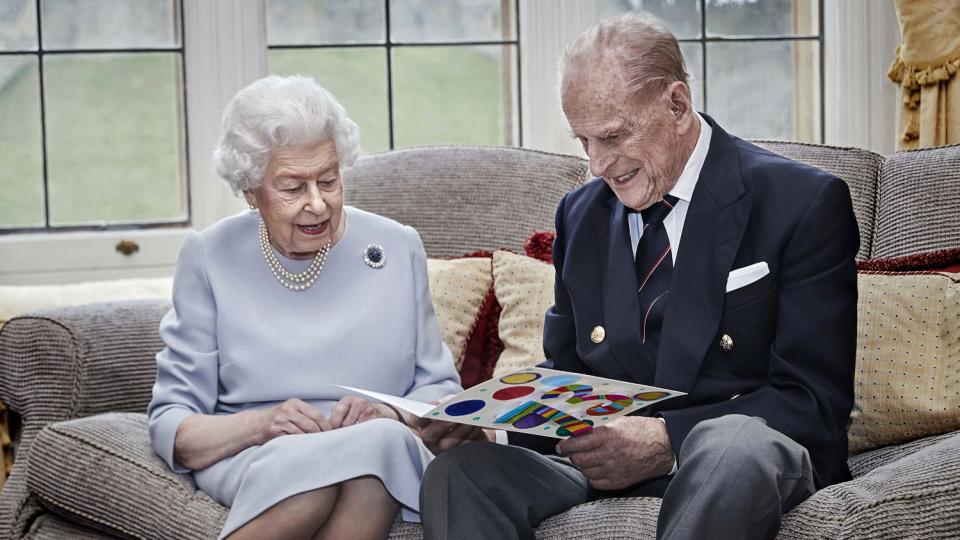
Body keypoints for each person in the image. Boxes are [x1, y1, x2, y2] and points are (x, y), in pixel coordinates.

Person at [419, 11, 859, 540]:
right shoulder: (579, 215)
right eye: (584, 141)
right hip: (603, 470)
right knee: (460, 474)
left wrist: (666, 440)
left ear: (676, 104)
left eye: (612, 136)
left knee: (733, 448)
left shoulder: (801, 202)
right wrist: (492, 433)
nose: (599, 164)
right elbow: (570, 378)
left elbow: (813, 402)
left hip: (739, 462)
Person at [147, 75, 461, 540]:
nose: (318, 204)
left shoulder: (397, 246)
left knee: (373, 457)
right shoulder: (209, 255)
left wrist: (390, 415)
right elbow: (174, 425)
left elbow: (440, 392)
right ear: (250, 191)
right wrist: (262, 425)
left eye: (329, 181)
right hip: (257, 452)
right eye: (292, 187)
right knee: (315, 482)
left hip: (380, 445)